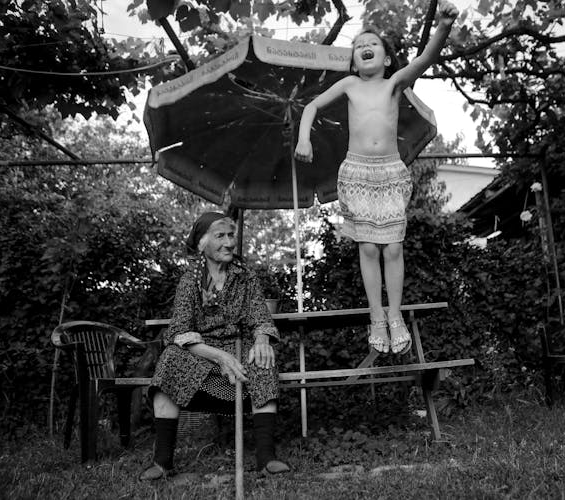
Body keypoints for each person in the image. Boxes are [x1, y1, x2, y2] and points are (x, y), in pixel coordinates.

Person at [294, 1, 458, 355]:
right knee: (368, 247)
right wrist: (304, 137)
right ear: (354, 61)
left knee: (394, 247)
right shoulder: (350, 83)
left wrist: (442, 27)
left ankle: (395, 315)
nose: (364, 46)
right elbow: (310, 107)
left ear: (385, 59)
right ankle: (376, 317)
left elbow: (425, 59)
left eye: (372, 43)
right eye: (358, 45)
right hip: (357, 172)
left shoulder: (395, 84)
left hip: (390, 172)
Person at [140, 212, 290, 480]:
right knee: (169, 361)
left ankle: (266, 459)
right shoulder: (190, 279)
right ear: (201, 244)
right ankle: (162, 462)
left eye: (231, 235)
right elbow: (180, 330)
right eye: (220, 236)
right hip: (200, 351)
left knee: (262, 360)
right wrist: (219, 356)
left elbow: (259, 316)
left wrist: (262, 339)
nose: (229, 242)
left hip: (237, 344)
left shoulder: (245, 276)